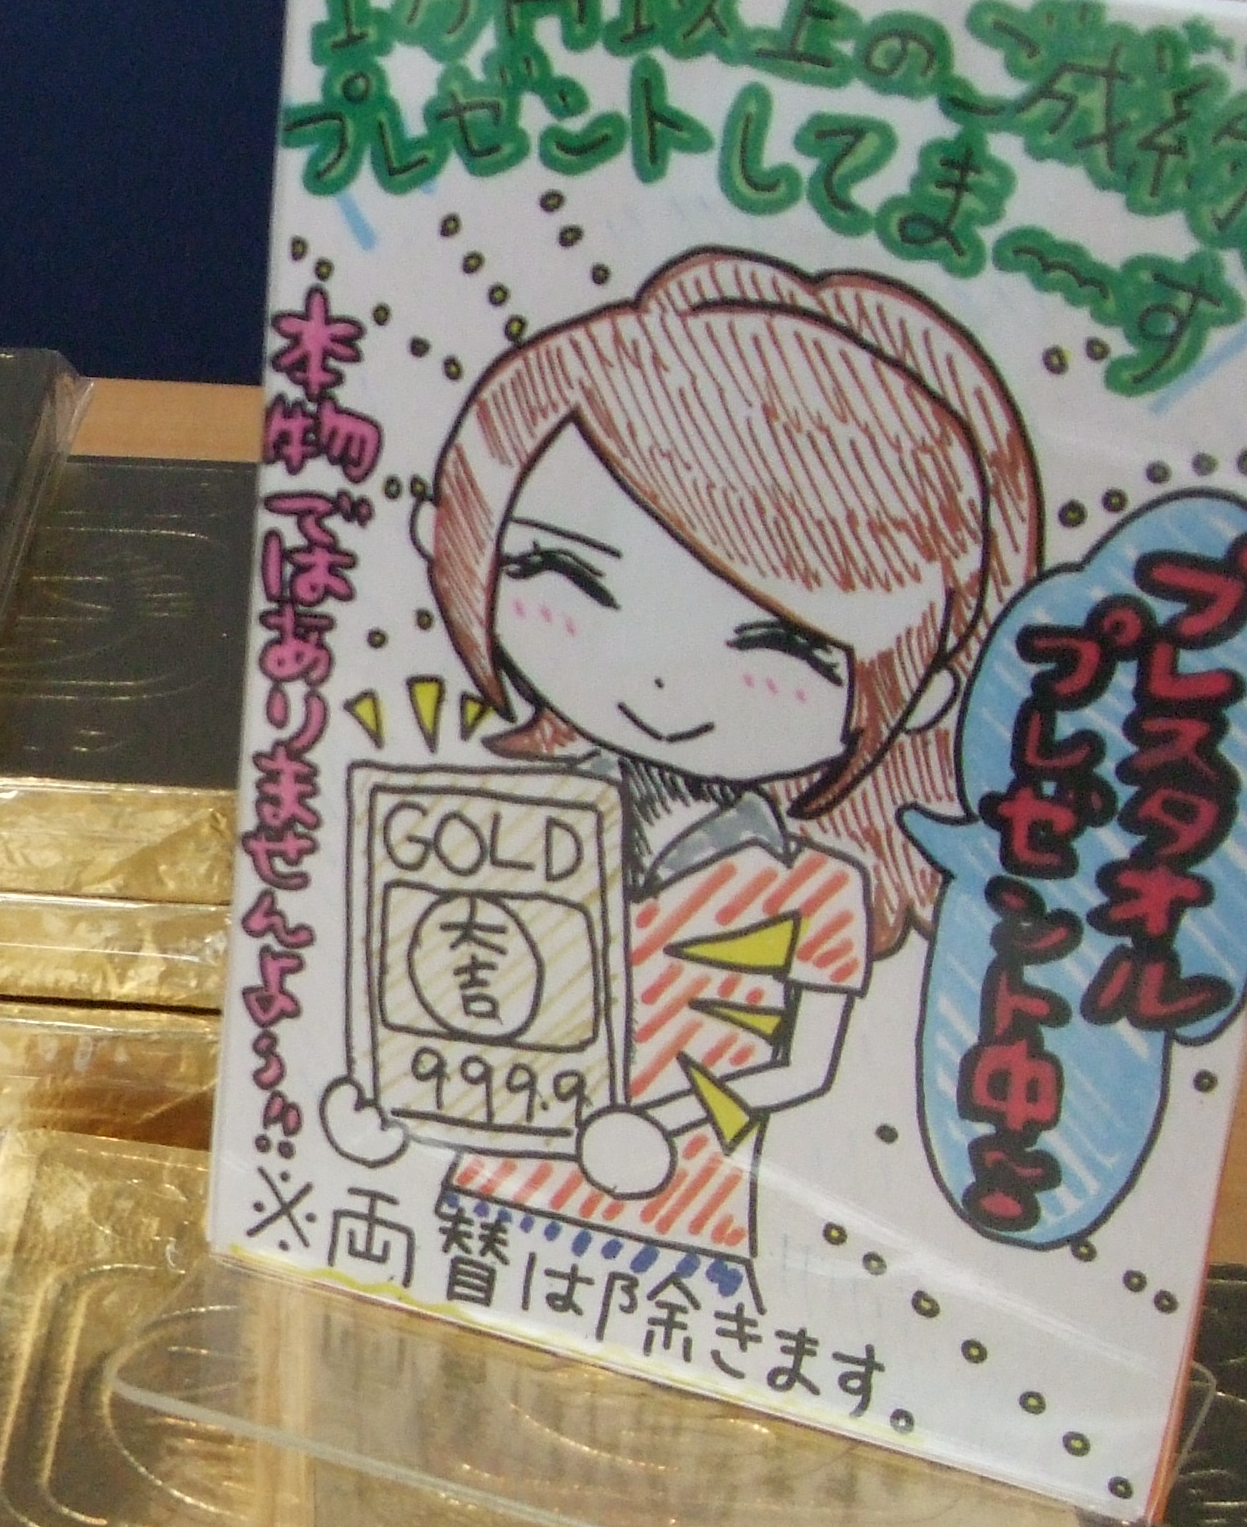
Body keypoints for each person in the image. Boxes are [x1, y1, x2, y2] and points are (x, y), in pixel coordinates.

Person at [320, 247, 1042, 1291]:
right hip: (472, 1210)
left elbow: (802, 1063)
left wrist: (664, 1120)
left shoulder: (814, 887)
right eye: (562, 571)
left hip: (672, 1229)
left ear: (925, 690)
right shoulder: (495, 826)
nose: (658, 673)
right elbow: (440, 995)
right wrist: (386, 1104)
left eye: (783, 643)